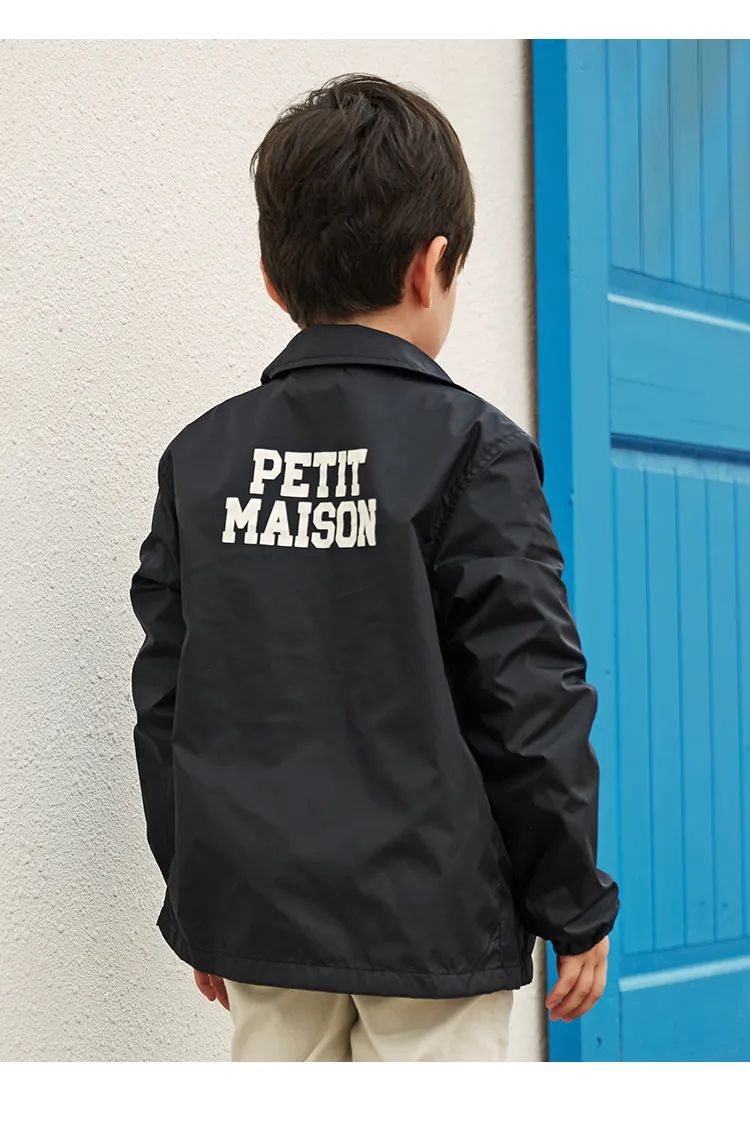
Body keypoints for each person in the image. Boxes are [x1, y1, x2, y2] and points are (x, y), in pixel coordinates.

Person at [129, 73, 620, 1063]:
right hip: (432, 932)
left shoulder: (203, 459)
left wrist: (203, 900)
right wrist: (573, 899)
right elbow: (528, 694)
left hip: (263, 916)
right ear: (430, 267)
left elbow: (168, 701)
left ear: (274, 281)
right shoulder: (473, 449)